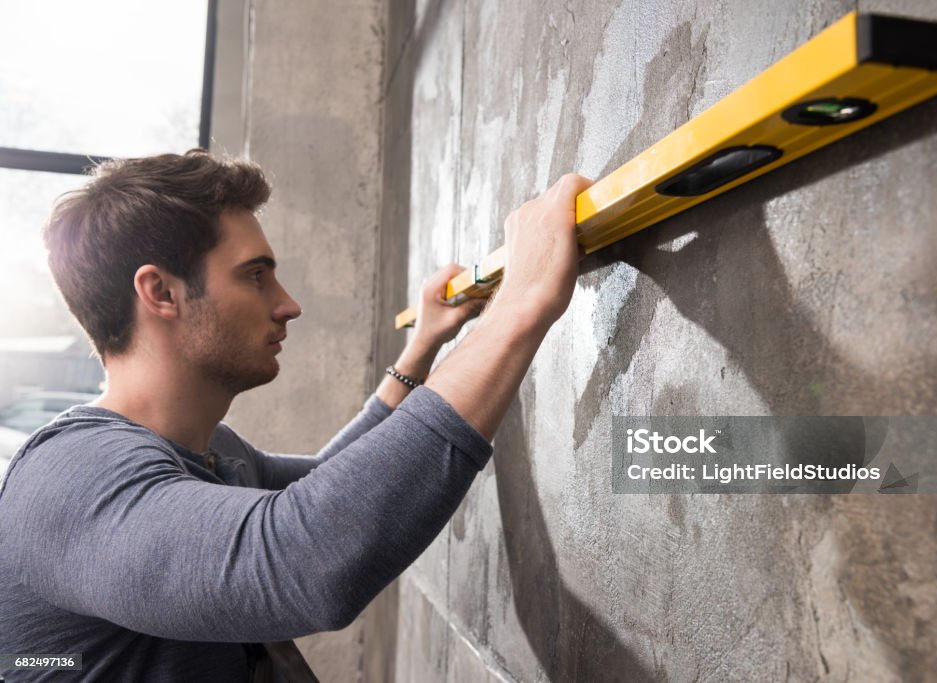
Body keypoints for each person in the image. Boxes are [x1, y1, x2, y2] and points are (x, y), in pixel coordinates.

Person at [0, 149, 593, 681]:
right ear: (160, 292)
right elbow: (303, 559)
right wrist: (520, 304)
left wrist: (422, 347)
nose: (288, 305)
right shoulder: (65, 482)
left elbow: (330, 481)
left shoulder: (210, 451)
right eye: (255, 275)